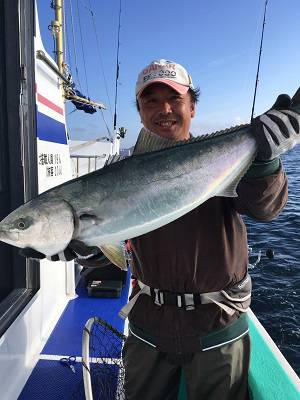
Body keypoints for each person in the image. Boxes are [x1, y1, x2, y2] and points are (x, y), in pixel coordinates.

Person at [22, 59, 300, 400]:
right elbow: (113, 256)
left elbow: (267, 208)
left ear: (192, 107)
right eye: (150, 101)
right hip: (148, 325)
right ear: (139, 111)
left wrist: (265, 162)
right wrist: (86, 246)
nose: (163, 109)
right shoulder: (115, 174)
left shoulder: (224, 160)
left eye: (174, 99)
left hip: (218, 321)